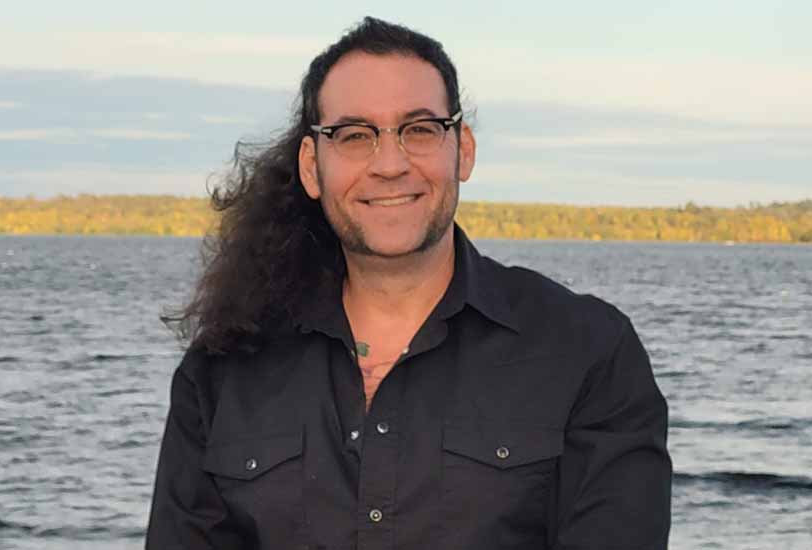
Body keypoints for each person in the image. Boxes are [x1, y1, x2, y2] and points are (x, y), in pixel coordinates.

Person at [147, 16, 671, 550]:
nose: (390, 164)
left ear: (462, 150)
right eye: (354, 136)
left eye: (419, 130)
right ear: (311, 166)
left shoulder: (589, 352)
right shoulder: (221, 372)